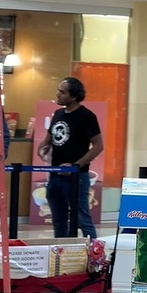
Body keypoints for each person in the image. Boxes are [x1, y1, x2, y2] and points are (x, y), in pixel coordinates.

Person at [43, 77, 102, 237]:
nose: (58, 94)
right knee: (58, 219)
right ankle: (62, 254)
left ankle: (94, 255)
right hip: (55, 176)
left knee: (82, 219)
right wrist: (43, 149)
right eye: (58, 90)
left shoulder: (86, 116)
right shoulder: (58, 114)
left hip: (77, 177)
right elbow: (48, 140)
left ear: (74, 96)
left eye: (62, 92)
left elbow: (98, 146)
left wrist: (76, 166)